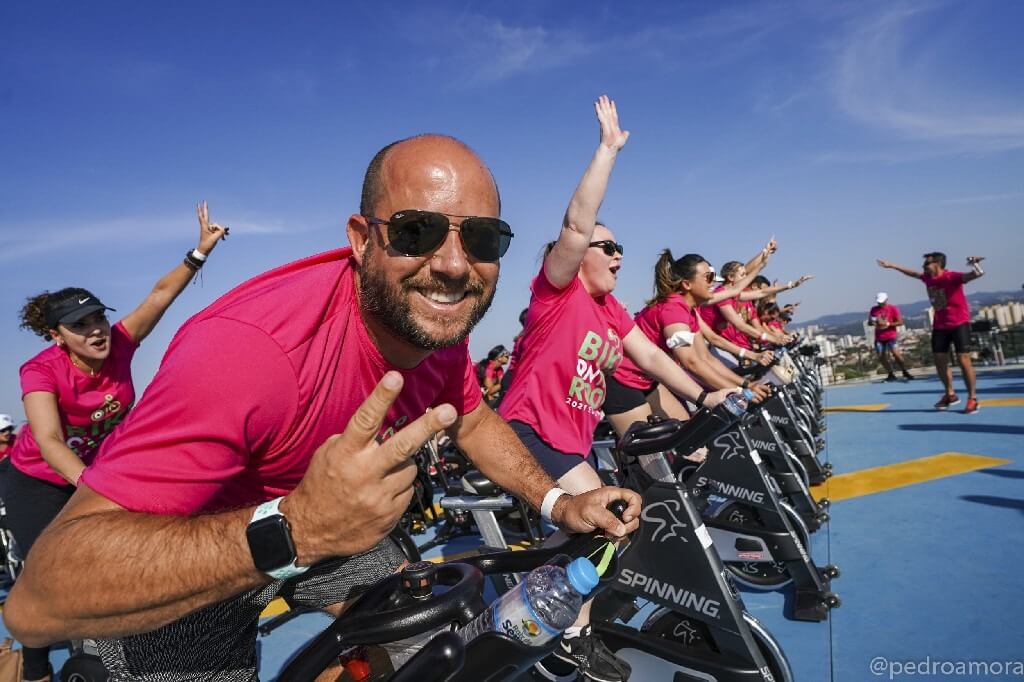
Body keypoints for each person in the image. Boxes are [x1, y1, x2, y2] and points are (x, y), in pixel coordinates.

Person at [4, 131, 642, 681]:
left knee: (433, 653)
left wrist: (559, 501)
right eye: (417, 231)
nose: (453, 265)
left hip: (327, 522)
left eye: (481, 239)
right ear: (362, 239)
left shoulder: (434, 325)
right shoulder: (249, 353)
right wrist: (297, 530)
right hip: (193, 539)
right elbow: (33, 605)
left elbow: (471, 418)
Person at [499, 96, 734, 682]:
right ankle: (565, 640)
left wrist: (708, 398)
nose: (618, 254)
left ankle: (528, 597)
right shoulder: (558, 295)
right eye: (608, 247)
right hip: (527, 429)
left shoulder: (611, 311)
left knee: (585, 532)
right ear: (576, 260)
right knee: (608, 519)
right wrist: (607, 151)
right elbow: (577, 224)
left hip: (569, 439)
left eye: (620, 247)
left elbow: (652, 356)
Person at [3, 204, 227, 682]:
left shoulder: (121, 343)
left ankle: (123, 648)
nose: (96, 330)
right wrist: (90, 485)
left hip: (97, 471)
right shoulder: (40, 370)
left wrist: (199, 251)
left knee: (116, 558)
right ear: (56, 336)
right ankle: (37, 667)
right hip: (38, 482)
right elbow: (47, 439)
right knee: (47, 573)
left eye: (97, 318)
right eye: (80, 326)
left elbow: (160, 294)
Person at [608, 251, 772, 437]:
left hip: (647, 379)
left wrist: (745, 386)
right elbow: (690, 362)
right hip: (622, 380)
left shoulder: (689, 311)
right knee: (652, 455)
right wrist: (739, 391)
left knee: (688, 437)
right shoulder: (674, 309)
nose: (713, 282)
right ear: (687, 284)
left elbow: (705, 358)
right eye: (708, 277)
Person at [878, 253, 985, 413]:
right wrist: (893, 266)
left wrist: (975, 264)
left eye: (927, 263)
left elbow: (976, 274)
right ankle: (950, 394)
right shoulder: (927, 278)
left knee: (964, 360)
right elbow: (913, 273)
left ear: (937, 264)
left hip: (959, 323)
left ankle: (972, 398)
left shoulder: (951, 277)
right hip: (940, 326)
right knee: (940, 361)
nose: (923, 267)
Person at [868, 292, 913, 382]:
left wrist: (888, 324)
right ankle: (890, 373)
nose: (880, 304)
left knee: (896, 354)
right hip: (879, 337)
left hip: (891, 336)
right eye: (879, 302)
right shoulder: (873, 309)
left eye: (882, 302)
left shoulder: (893, 308)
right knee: (881, 356)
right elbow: (870, 322)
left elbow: (900, 322)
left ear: (886, 300)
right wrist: (873, 322)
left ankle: (904, 371)